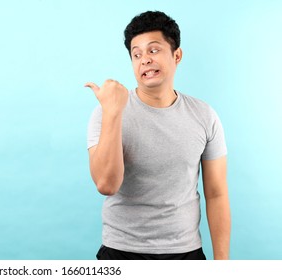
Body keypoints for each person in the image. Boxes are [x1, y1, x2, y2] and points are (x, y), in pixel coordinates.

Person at [85, 11, 230, 260]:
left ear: (177, 55)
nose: (144, 60)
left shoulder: (204, 116)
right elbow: (106, 184)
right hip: (120, 253)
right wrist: (113, 112)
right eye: (136, 54)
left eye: (153, 50)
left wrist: (222, 265)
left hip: (185, 254)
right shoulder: (106, 110)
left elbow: (216, 193)